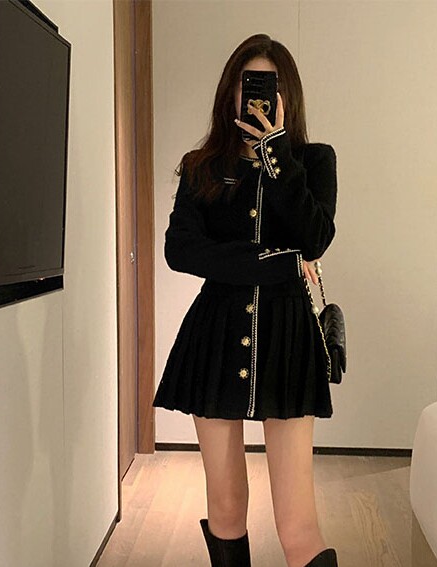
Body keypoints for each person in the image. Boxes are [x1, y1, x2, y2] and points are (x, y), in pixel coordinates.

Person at [152, 33, 339, 567]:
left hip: (288, 337)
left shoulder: (312, 161)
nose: (253, 94)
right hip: (215, 335)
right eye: (246, 83)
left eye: (266, 85)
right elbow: (181, 249)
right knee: (227, 506)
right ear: (229, 92)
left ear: (286, 95)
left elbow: (316, 237)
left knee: (298, 523)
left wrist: (274, 151)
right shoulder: (201, 166)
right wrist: (278, 262)